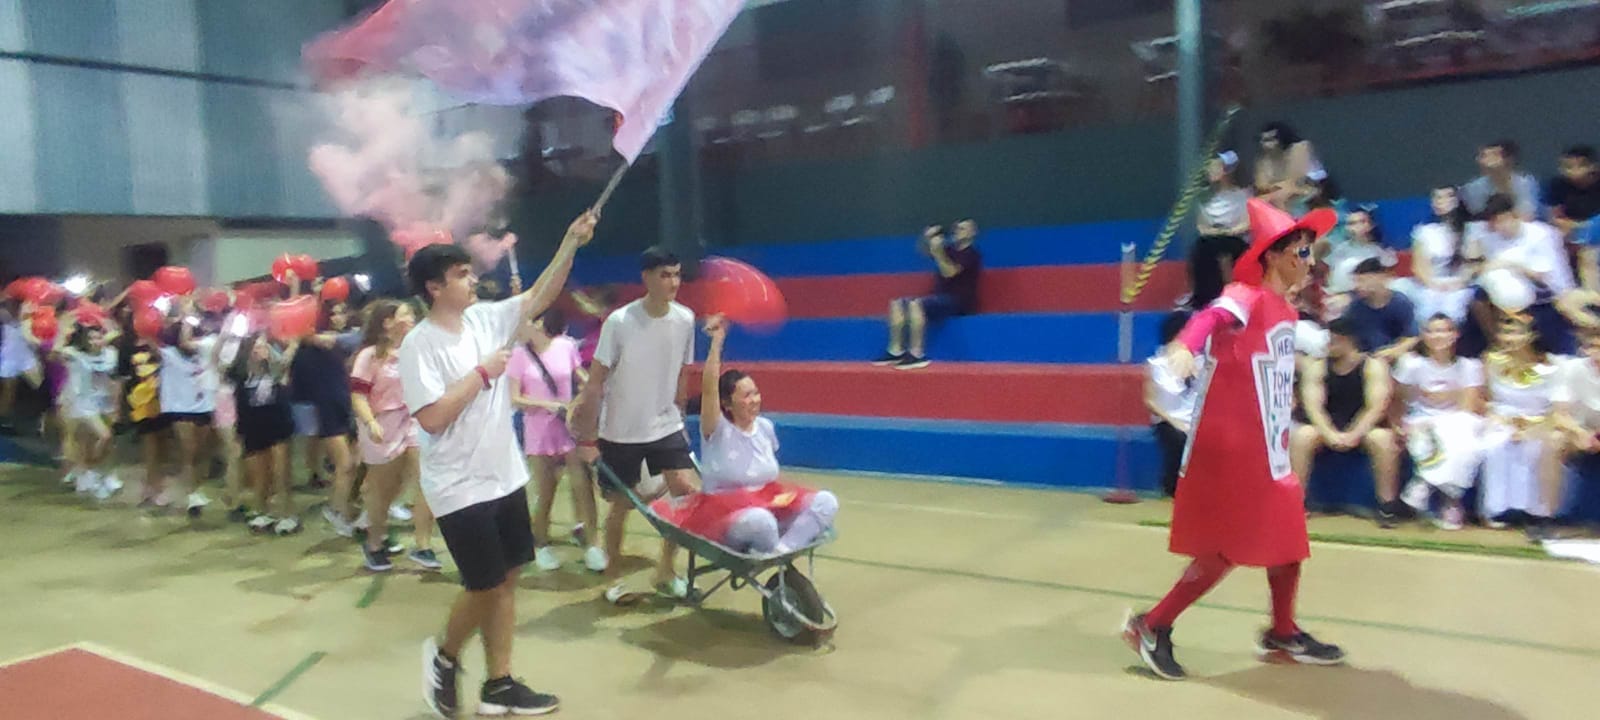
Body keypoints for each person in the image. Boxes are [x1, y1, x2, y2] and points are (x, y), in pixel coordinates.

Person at [1123, 198, 1345, 681]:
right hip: (1232, 445)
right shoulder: (1245, 294)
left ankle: (1282, 629)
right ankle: (1153, 625)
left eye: (1310, 252)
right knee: (1227, 548)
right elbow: (1211, 318)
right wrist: (1185, 347)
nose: (1309, 261)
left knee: (1287, 535)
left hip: (1266, 446)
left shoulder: (1285, 310)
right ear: (1273, 256)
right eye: (1301, 251)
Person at [405, 212, 593, 719]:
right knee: (483, 584)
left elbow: (540, 295)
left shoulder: (486, 319)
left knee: (508, 578)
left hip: (503, 476)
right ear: (434, 287)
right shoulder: (419, 345)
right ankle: (444, 657)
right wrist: (483, 374)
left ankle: (499, 684)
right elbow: (433, 418)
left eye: (470, 272)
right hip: (458, 486)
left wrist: (570, 241)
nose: (472, 280)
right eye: (461, 275)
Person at [568, 246, 700, 604]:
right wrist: (588, 437)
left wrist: (680, 417)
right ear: (646, 278)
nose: (673, 282)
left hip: (665, 425)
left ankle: (665, 570)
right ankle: (613, 578)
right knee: (621, 505)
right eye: (665, 275)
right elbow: (596, 380)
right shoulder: (620, 322)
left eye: (676, 275)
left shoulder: (685, 319)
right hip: (621, 430)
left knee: (685, 492)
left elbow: (683, 372)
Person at [650, 314, 838, 555]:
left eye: (756, 393)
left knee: (826, 502)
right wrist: (717, 342)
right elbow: (709, 390)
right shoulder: (716, 430)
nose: (755, 400)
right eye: (747, 396)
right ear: (727, 404)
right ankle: (779, 547)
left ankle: (781, 550)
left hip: (769, 503)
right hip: (726, 514)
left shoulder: (765, 427)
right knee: (761, 521)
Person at [507, 307, 605, 573]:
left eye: (526, 321)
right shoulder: (518, 356)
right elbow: (514, 398)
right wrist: (548, 405)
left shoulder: (565, 346)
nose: (521, 326)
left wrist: (590, 391)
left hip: (569, 428)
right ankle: (540, 544)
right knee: (546, 491)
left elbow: (580, 376)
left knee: (583, 484)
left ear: (539, 323)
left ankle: (593, 545)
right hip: (539, 432)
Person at [350, 299, 439, 572]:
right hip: (383, 425)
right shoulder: (370, 356)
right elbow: (358, 395)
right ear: (387, 322)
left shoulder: (415, 351)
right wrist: (370, 423)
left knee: (428, 478)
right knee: (384, 491)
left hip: (413, 420)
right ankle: (375, 542)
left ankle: (422, 544)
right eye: (405, 314)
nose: (411, 318)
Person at [1292, 317, 1403, 526]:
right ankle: (1297, 502)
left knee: (1383, 439)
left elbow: (1376, 407)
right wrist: (1330, 433)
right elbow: (1313, 407)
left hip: (1364, 426)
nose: (1329, 345)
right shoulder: (1317, 367)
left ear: (1349, 341)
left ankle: (1387, 505)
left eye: (1334, 341)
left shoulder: (1373, 366)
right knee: (1302, 436)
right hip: (1327, 426)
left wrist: (1354, 434)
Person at [1392, 314, 1485, 530]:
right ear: (1424, 335)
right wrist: (1398, 425)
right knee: (1426, 438)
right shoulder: (1411, 364)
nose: (1438, 336)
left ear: (1455, 335)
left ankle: (1423, 484)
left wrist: (1449, 402)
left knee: (1464, 438)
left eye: (1443, 331)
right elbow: (1398, 400)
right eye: (1432, 331)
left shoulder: (1469, 366)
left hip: (1457, 422)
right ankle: (1452, 501)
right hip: (1420, 421)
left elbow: (1469, 406)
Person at [1479, 315, 1564, 539]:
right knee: (1494, 444)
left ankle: (1535, 513)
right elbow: (1486, 398)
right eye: (1505, 333)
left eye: (1516, 333)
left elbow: (1556, 409)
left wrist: (1530, 429)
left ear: (1532, 335)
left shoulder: (1550, 366)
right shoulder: (1492, 361)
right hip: (1501, 420)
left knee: (1533, 448)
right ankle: (1497, 510)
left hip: (1539, 421)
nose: (1509, 338)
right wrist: (1499, 419)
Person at [290, 295, 362, 536]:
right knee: (345, 465)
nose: (338, 317)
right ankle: (336, 511)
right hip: (328, 410)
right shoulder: (314, 347)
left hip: (343, 406)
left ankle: (345, 509)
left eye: (341, 312)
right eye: (333, 313)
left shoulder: (337, 343)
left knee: (354, 464)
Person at [875, 220, 982, 369]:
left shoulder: (972, 254)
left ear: (973, 232)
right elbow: (923, 251)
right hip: (940, 299)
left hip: (960, 301)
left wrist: (938, 252)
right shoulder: (950, 250)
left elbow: (949, 272)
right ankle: (895, 351)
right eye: (957, 228)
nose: (958, 231)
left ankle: (917, 354)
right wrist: (927, 238)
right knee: (897, 303)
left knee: (916, 304)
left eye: (963, 228)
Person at [229, 333, 302, 536]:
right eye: (255, 347)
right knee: (259, 473)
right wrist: (239, 433)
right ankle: (263, 511)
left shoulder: (277, 372)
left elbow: (286, 361)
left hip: (278, 425)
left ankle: (287, 513)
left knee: (281, 471)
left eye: (263, 346)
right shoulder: (242, 376)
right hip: (253, 427)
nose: (258, 350)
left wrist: (291, 344)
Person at [158, 307, 219, 517]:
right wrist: (182, 317)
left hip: (204, 406)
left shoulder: (205, 348)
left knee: (201, 452)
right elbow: (149, 339)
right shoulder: (167, 354)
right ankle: (191, 494)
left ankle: (196, 488)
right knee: (188, 451)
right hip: (179, 409)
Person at [54, 315, 122, 500]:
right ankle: (91, 471)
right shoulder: (75, 354)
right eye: (90, 338)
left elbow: (115, 379)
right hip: (84, 403)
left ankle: (97, 473)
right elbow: (54, 354)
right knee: (104, 436)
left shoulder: (111, 354)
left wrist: (101, 317)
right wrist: (62, 332)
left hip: (104, 402)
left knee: (101, 443)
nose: (94, 341)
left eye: (98, 337)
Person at [1393, 186, 1480, 324]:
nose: (1442, 201)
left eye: (1448, 196)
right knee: (1427, 308)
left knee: (1452, 307)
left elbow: (1474, 264)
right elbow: (1419, 267)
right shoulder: (1425, 232)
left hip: (1460, 284)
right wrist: (1434, 285)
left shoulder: (1471, 230)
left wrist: (1459, 283)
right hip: (1431, 284)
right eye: (1438, 197)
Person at [1551, 330, 1600, 524]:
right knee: (1555, 441)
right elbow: (1559, 414)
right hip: (1578, 432)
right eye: (1593, 347)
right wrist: (1581, 433)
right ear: (1583, 349)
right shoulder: (1570, 369)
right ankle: (1552, 515)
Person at [1191, 152, 1252, 309]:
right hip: (1212, 238)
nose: (1209, 170)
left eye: (1215, 166)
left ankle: (1231, 296)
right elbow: (1202, 227)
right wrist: (1216, 233)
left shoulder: (1243, 195)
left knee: (1225, 250)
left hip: (1235, 238)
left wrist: (1228, 232)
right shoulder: (1203, 197)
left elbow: (1246, 224)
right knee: (1202, 247)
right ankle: (1202, 299)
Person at [1145, 311, 1196, 498]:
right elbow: (1150, 400)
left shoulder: (1198, 362)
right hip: (1167, 420)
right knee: (1178, 439)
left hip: (1193, 419)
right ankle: (1172, 487)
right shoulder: (1156, 365)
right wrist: (1175, 422)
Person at [1545, 145, 1600, 292]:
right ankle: (1561, 292)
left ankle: (1593, 297)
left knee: (1587, 254)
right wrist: (1573, 229)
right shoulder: (1557, 184)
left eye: (1579, 166)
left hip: (1595, 234)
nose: (1573, 172)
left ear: (1593, 166)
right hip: (1570, 233)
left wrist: (1587, 228)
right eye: (1567, 167)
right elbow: (1553, 217)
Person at [1343, 258, 1418, 363]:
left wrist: (1393, 351)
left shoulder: (1400, 302)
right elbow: (1348, 336)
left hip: (1393, 356)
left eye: (1362, 280)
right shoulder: (1355, 306)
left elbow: (1412, 337)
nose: (1358, 286)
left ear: (1379, 278)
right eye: (1356, 281)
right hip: (1365, 358)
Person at [1253, 121, 1324, 216]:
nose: (1264, 144)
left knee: (1281, 196)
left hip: (1309, 195)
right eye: (1262, 140)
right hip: (1279, 199)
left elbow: (1295, 182)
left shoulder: (1299, 149)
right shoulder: (1264, 160)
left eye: (1269, 140)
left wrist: (1276, 187)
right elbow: (1262, 185)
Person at [1460, 140, 1540, 220]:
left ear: (1509, 159)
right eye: (1483, 156)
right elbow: (1475, 214)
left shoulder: (1526, 184)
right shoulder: (1473, 188)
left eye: (1494, 155)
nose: (1485, 161)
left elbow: (1527, 215)